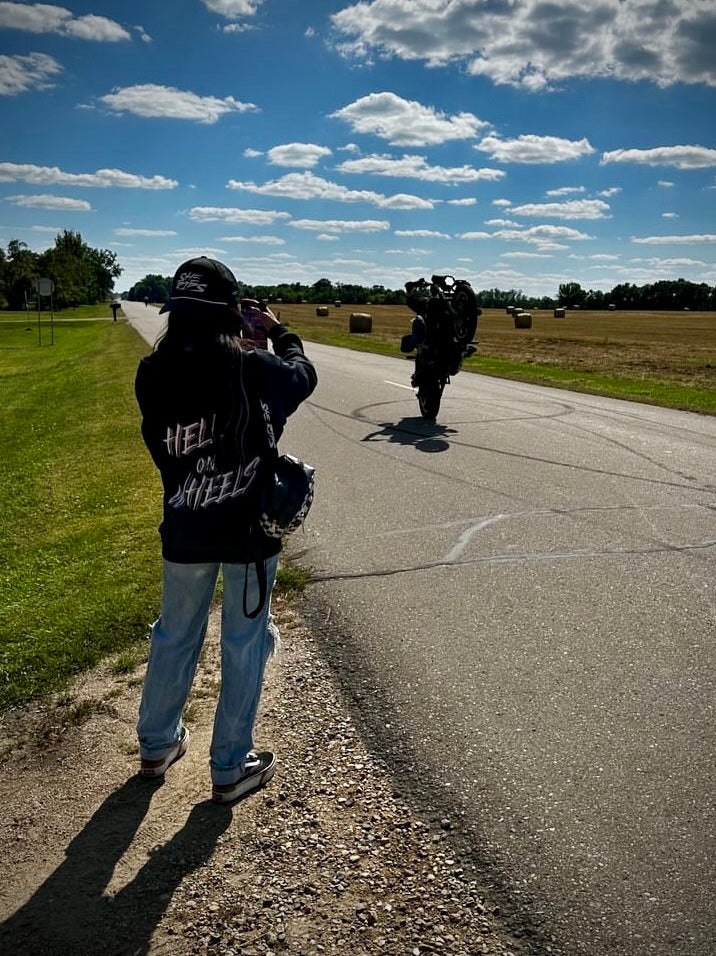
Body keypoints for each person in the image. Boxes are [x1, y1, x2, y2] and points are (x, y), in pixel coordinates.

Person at [134, 256, 317, 803]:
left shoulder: (152, 371)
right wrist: (282, 334)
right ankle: (230, 765)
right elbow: (301, 380)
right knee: (244, 643)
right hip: (247, 533)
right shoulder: (246, 365)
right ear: (229, 311)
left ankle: (156, 742)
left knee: (174, 635)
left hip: (186, 523)